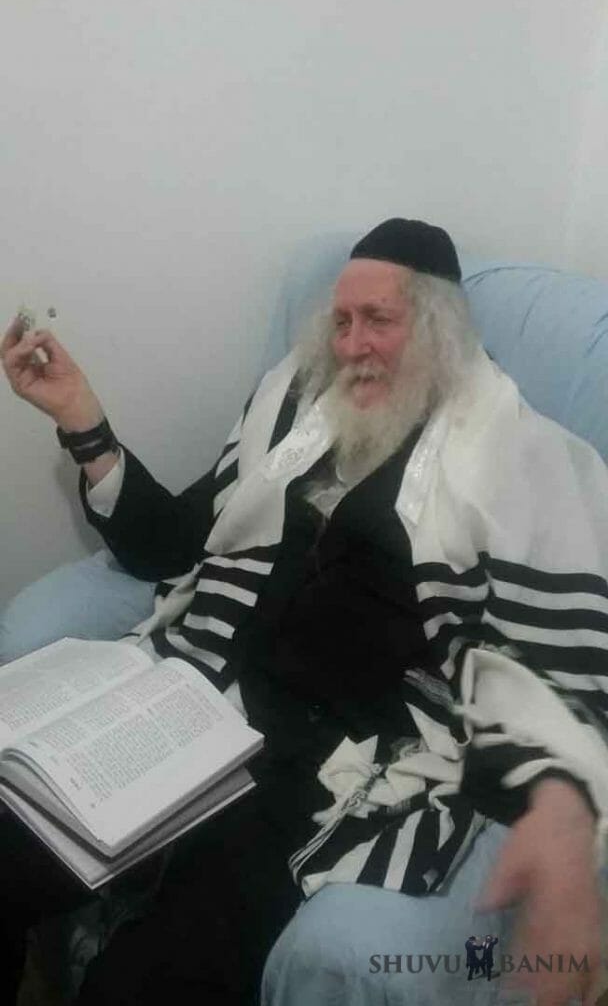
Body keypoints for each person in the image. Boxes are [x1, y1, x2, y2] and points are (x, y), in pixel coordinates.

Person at [2, 217, 608, 1006]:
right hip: (195, 696)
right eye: (341, 321)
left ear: (442, 332)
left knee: (144, 982)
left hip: (321, 769)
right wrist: (83, 419)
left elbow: (561, 669)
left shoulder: (521, 456)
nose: (352, 344)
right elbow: (176, 543)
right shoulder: (292, 408)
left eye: (379, 320)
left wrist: (560, 826)